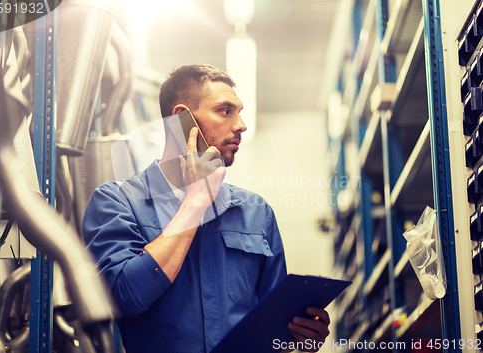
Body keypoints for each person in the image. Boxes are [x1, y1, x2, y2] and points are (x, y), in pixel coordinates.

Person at [83, 64, 330, 353]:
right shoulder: (117, 202)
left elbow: (273, 331)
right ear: (181, 120)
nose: (241, 125)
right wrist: (195, 203)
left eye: (239, 112)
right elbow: (123, 296)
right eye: (225, 111)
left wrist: (300, 338)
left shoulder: (256, 212)